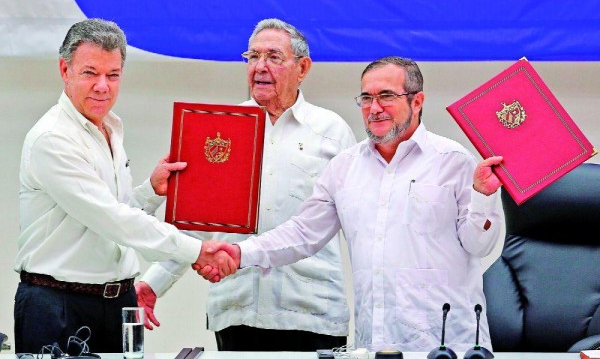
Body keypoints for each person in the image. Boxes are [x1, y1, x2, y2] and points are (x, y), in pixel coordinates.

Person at [201, 56, 505, 353]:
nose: (374, 108)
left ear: (417, 101)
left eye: (386, 96)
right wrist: (240, 253)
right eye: (366, 98)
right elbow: (302, 233)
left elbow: (480, 245)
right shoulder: (345, 167)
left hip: (446, 345)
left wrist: (485, 196)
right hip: (375, 344)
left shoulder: (453, 160)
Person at [14, 18, 234, 354]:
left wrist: (150, 190)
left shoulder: (111, 127)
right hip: (58, 305)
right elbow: (112, 219)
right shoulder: (53, 138)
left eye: (113, 75)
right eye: (90, 73)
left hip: (117, 302)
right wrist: (196, 250)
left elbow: (114, 213)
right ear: (65, 69)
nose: (103, 85)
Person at [136, 18, 356, 351]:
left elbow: (357, 224)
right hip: (237, 309)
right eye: (252, 57)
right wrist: (154, 284)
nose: (260, 66)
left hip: (312, 312)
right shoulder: (221, 131)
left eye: (273, 57)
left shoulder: (331, 132)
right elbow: (197, 226)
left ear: (303, 67)